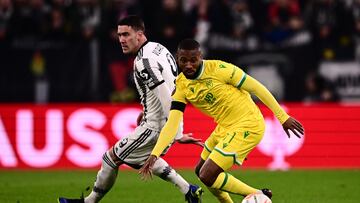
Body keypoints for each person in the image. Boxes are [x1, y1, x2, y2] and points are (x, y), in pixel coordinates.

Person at [58, 16, 204, 203]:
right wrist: (148, 110)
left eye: (126, 34)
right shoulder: (158, 48)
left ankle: (89, 202)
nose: (121, 40)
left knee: (110, 159)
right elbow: (169, 85)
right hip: (159, 122)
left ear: (140, 34)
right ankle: (188, 190)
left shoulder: (143, 62)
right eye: (119, 35)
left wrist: (177, 133)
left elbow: (166, 96)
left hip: (154, 128)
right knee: (141, 159)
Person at [140, 39, 305, 203]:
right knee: (200, 172)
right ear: (177, 59)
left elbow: (257, 88)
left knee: (208, 175)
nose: (188, 65)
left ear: (200, 57)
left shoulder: (220, 69)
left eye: (193, 60)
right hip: (225, 127)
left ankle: (258, 194)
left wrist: (283, 117)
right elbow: (172, 123)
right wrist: (155, 154)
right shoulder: (181, 86)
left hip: (248, 123)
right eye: (184, 61)